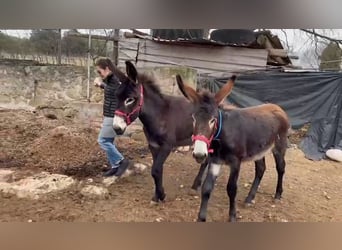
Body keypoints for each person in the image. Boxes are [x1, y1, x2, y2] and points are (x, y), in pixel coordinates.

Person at [94, 57, 129, 177]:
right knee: (109, 141)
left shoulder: (114, 79)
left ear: (107, 69)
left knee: (102, 140)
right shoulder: (111, 79)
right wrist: (102, 84)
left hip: (113, 115)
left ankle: (122, 161)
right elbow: (110, 90)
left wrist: (100, 83)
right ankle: (115, 166)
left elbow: (115, 92)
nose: (99, 74)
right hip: (110, 114)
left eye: (100, 71)